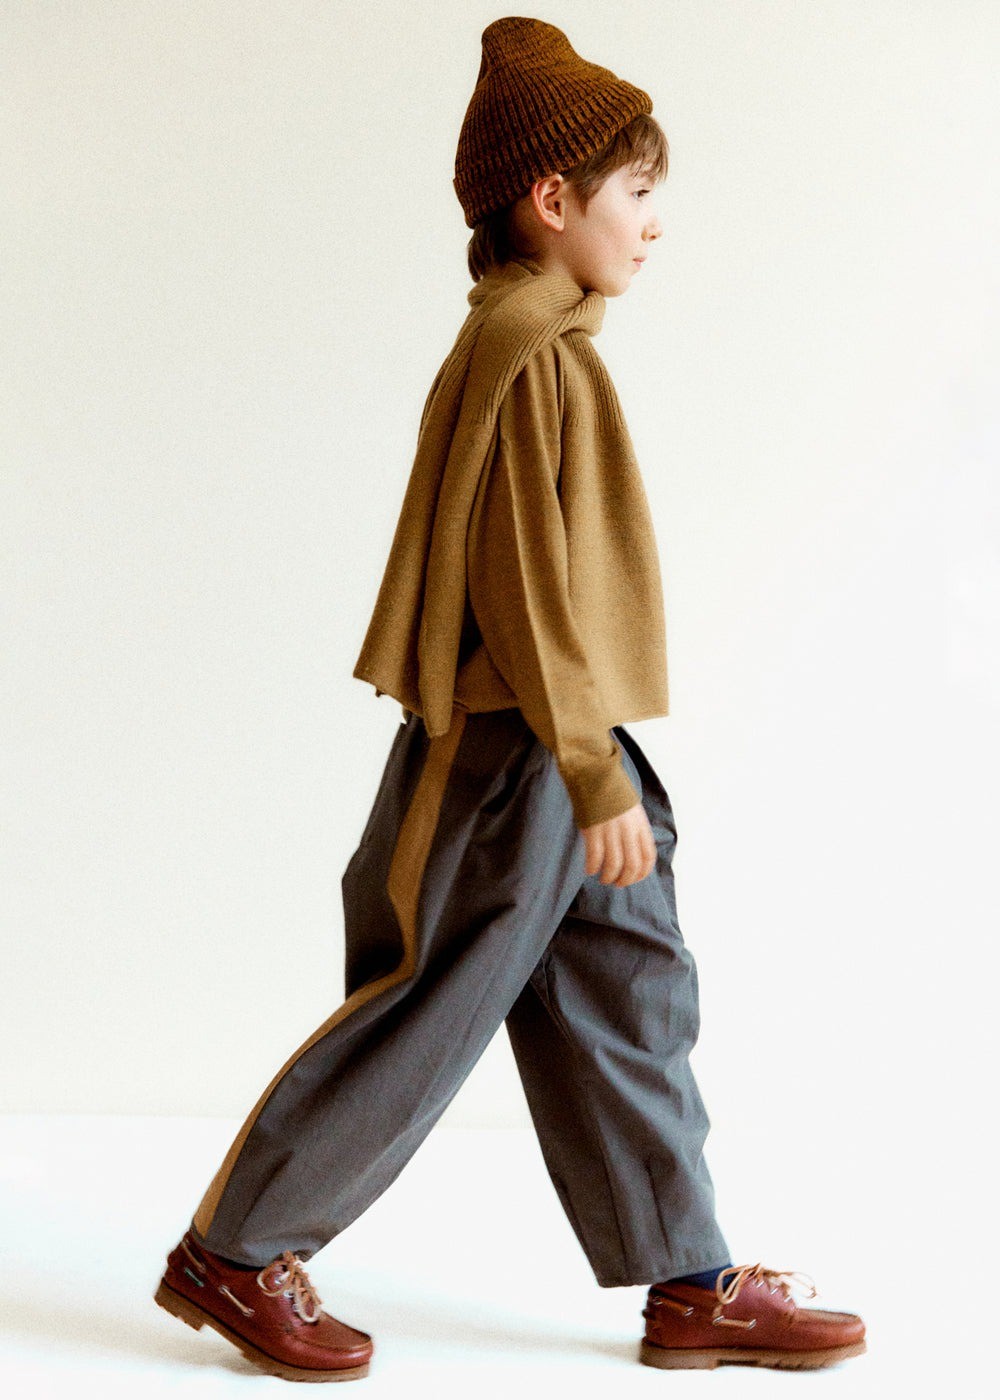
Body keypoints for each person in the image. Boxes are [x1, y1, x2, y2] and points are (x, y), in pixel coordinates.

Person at [153, 16, 866, 1381]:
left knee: (627, 990)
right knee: (429, 1003)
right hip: (514, 750)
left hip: (565, 743)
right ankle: (233, 1254)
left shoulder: (545, 340)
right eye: (637, 191)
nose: (654, 222)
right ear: (552, 199)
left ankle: (691, 1280)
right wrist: (591, 770)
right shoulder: (528, 350)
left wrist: (600, 764)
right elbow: (527, 586)